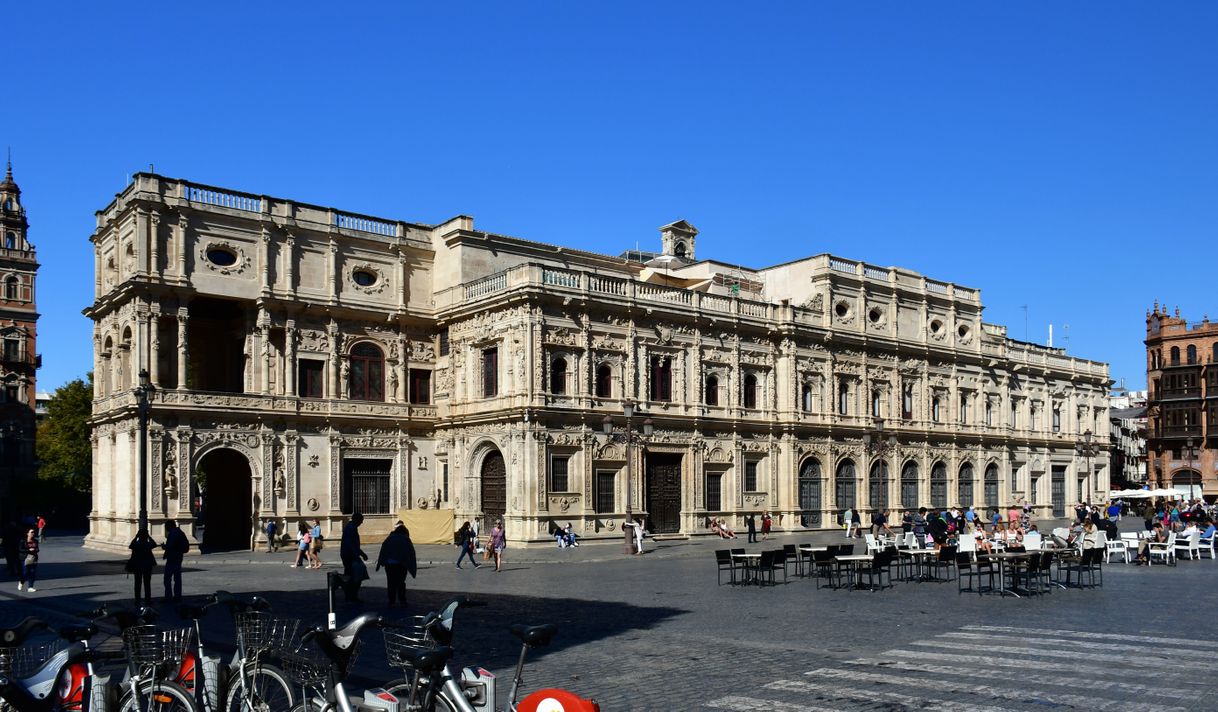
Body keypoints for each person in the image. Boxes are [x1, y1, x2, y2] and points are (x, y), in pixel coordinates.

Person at [375, 521, 417, 607]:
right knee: (401, 582)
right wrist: (412, 566)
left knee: (391, 582)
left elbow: (383, 550)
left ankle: (391, 600)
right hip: (401, 564)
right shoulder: (405, 539)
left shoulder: (390, 538)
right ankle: (402, 600)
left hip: (389, 564)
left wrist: (380, 563)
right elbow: (411, 553)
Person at [339, 513, 369, 602]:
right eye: (361, 520)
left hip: (349, 554)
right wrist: (360, 554)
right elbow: (351, 544)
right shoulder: (351, 528)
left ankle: (351, 595)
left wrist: (361, 553)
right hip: (350, 555)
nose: (362, 522)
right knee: (354, 576)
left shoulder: (351, 527)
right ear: (356, 519)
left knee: (352, 576)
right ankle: (350, 594)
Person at [127, 529, 158, 605]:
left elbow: (130, 546)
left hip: (137, 566)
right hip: (147, 566)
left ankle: (137, 600)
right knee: (147, 584)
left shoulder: (136, 544)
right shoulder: (147, 544)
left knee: (137, 584)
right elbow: (154, 544)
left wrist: (135, 537)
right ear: (146, 536)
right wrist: (149, 537)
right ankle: (148, 600)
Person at [161, 520, 190, 602]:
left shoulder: (173, 533)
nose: (166, 529)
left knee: (167, 578)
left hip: (172, 557)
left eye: (166, 527)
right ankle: (177, 596)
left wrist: (164, 547)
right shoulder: (180, 532)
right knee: (177, 578)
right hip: (178, 557)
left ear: (169, 526)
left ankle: (168, 597)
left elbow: (170, 546)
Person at [17, 528, 38, 592]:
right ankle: (21, 581)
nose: (33, 533)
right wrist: (28, 550)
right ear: (27, 533)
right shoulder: (23, 541)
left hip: (33, 558)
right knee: (25, 572)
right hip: (24, 558)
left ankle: (30, 587)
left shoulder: (35, 541)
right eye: (31, 532)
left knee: (32, 572)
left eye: (33, 532)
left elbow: (37, 549)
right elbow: (20, 549)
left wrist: (35, 550)